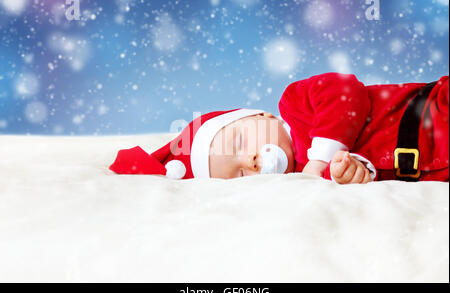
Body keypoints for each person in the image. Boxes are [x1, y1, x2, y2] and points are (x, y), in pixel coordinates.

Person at [109, 73, 449, 183]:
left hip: (435, 109)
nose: (251, 162)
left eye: (239, 143)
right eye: (240, 174)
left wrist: (322, 158)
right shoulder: (306, 178)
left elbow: (345, 90)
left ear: (263, 117)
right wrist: (355, 175)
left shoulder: (297, 104)